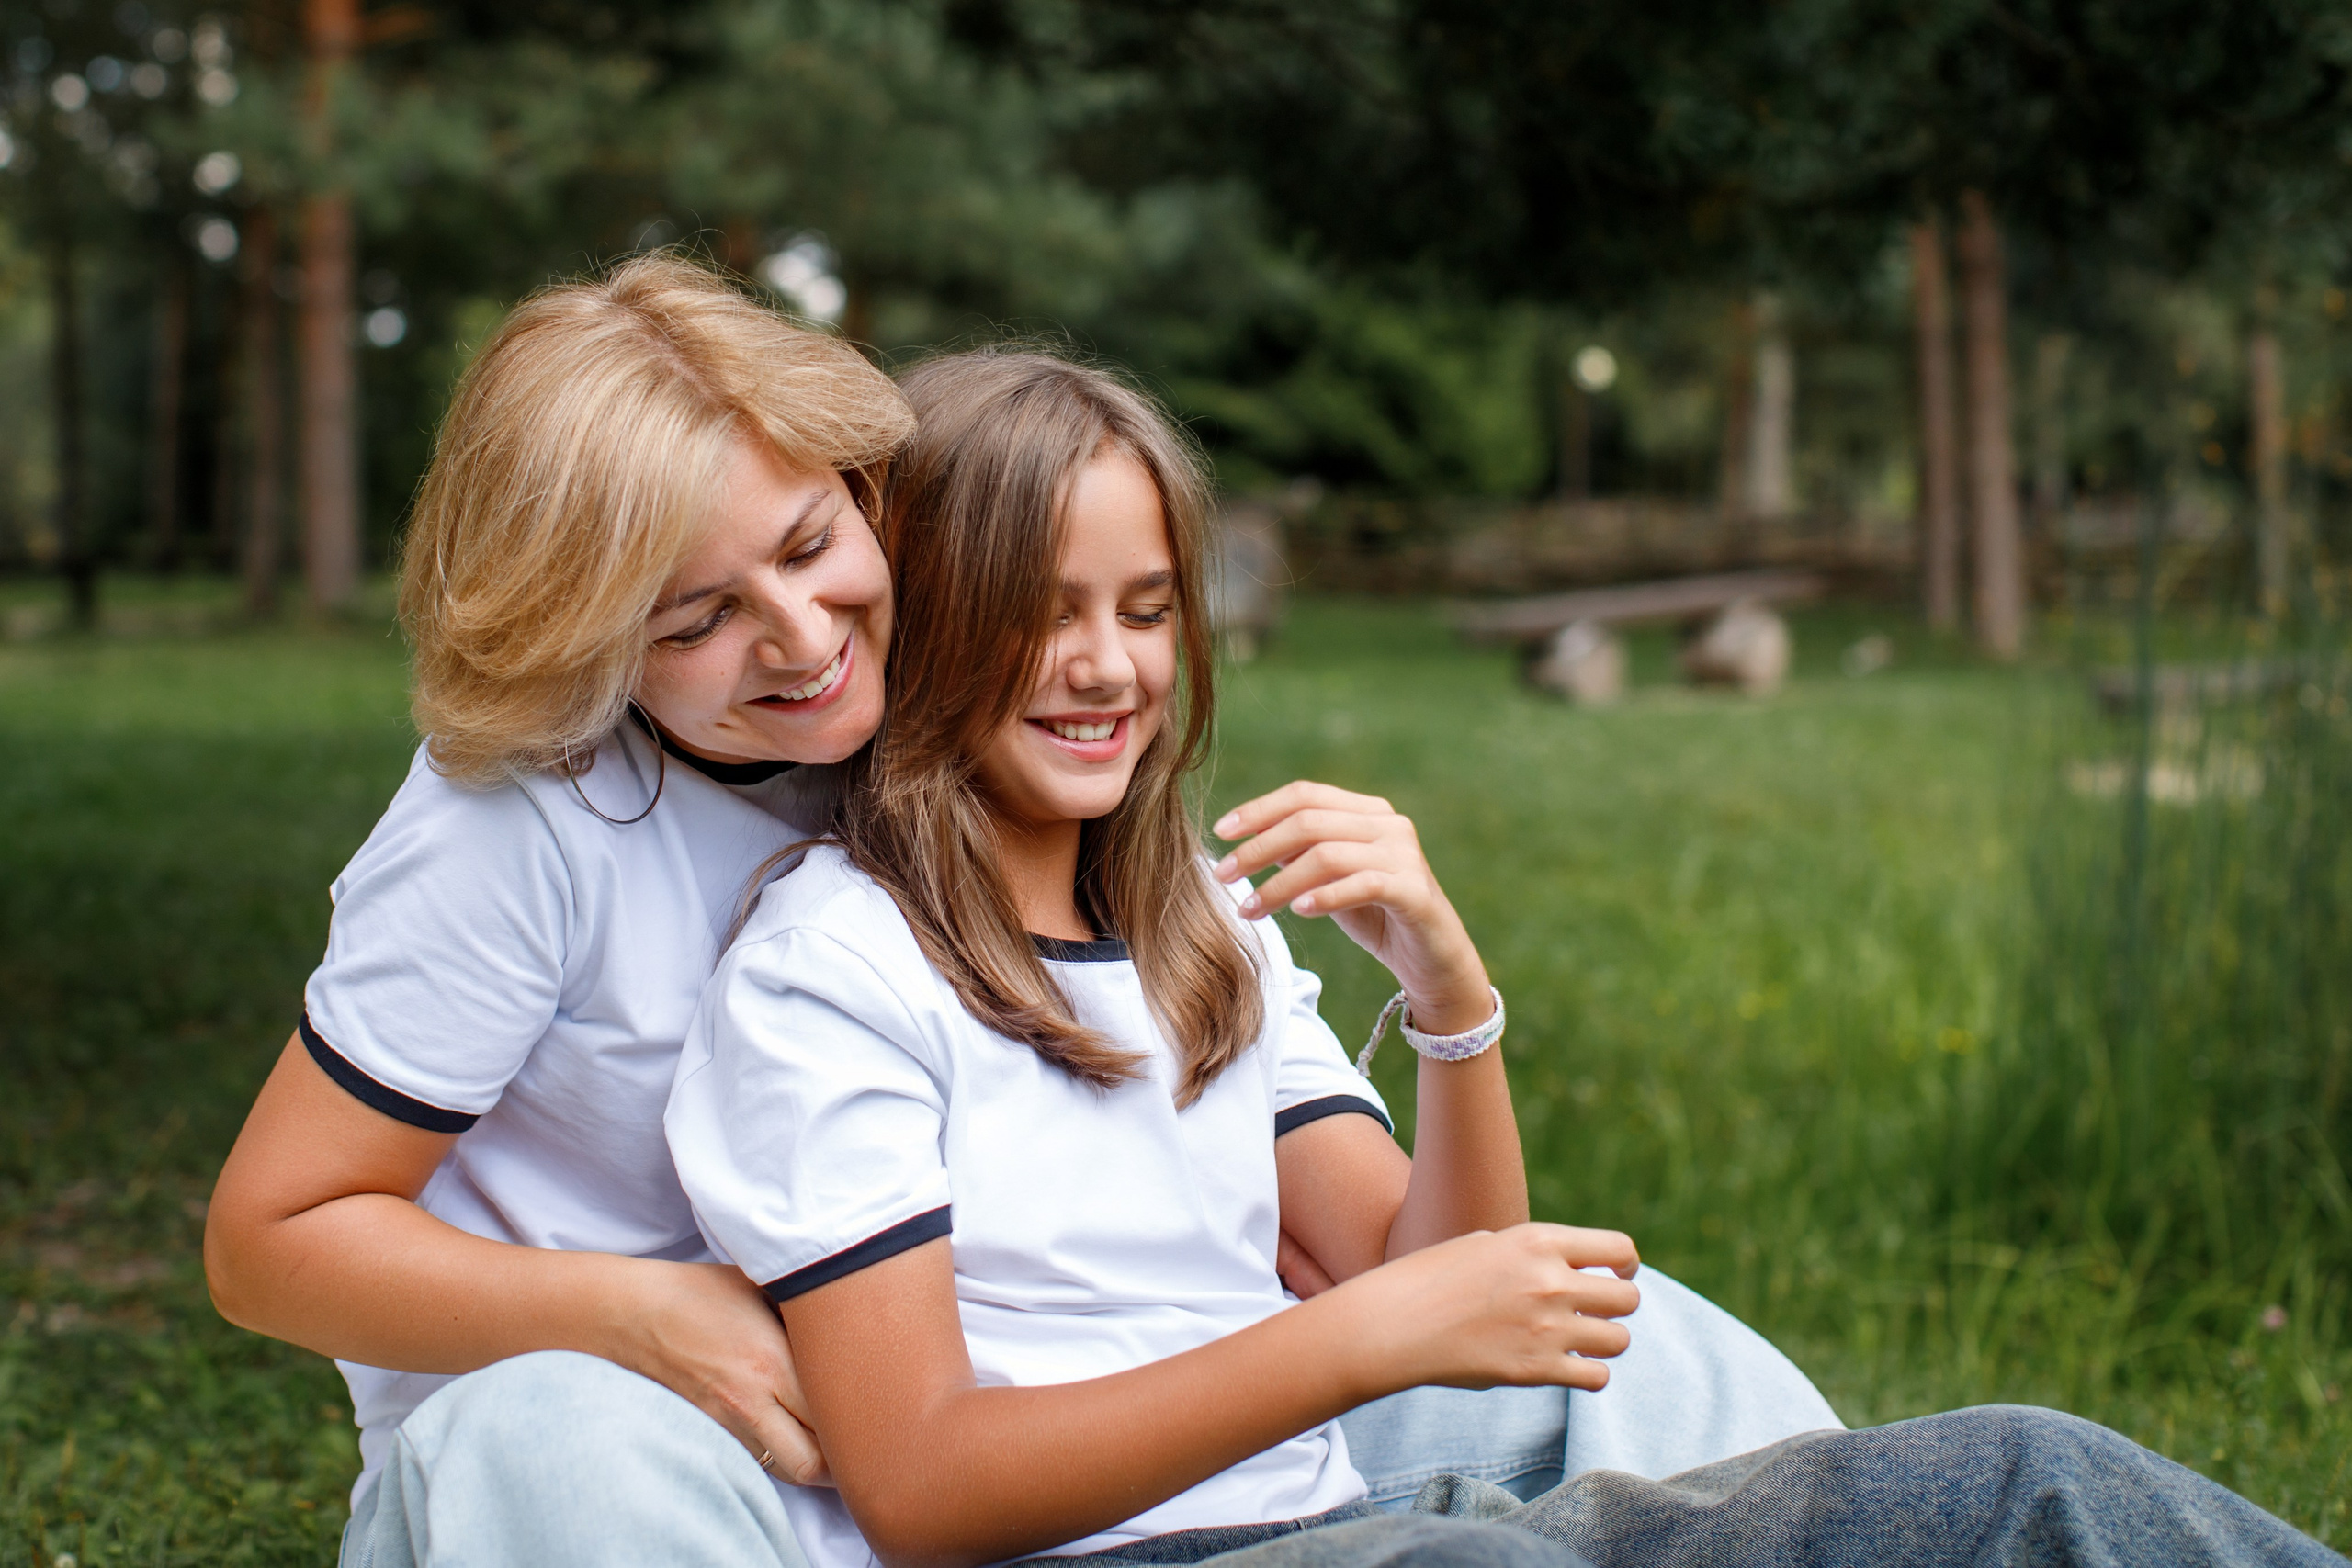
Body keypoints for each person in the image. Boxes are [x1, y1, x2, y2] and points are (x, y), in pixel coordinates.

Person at [198, 258, 1841, 1568]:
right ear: (588, 637)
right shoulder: (515, 825)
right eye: (695, 619)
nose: (801, 640)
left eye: (811, 544)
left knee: (1630, 1340)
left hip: (991, 1404)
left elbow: (1399, 1257)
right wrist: (636, 1310)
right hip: (679, 1444)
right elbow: (269, 1240)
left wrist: (1432, 1028)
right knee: (559, 1431)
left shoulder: (926, 746)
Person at [668, 349, 2342, 1568]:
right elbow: (927, 1487)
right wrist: (1354, 1346)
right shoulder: (835, 973)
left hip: (1373, 1527)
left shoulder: (1197, 929)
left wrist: (1449, 1002)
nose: (1108, 666)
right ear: (937, 617)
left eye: (1149, 609)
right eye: (1049, 611)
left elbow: (1449, 1286)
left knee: (2023, 1483)